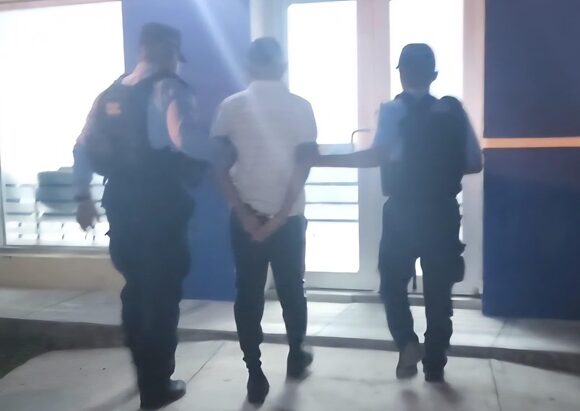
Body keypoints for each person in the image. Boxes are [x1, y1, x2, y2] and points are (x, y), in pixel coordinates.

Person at [308, 44, 483, 383]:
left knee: (391, 285)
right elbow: (475, 163)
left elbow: (375, 156)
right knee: (439, 293)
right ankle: (435, 365)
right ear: (433, 75)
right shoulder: (453, 112)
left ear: (401, 74)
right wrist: (440, 168)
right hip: (443, 213)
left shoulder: (392, 111)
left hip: (402, 211)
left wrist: (322, 160)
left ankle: (406, 343)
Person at [73, 23, 210, 410]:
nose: (176, 63)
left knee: (135, 291)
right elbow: (187, 140)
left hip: (121, 204)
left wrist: (82, 197)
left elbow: (82, 148)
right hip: (161, 207)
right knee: (162, 297)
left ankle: (143, 375)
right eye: (175, 54)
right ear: (166, 50)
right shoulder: (170, 89)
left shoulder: (109, 94)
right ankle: (157, 385)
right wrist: (220, 154)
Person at [211, 37, 317, 405]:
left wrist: (246, 216)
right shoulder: (301, 107)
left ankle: (254, 374)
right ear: (282, 66)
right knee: (292, 291)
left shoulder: (231, 107)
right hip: (288, 219)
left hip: (246, 219)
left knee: (248, 294)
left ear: (249, 67)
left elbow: (218, 167)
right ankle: (296, 356)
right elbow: (304, 165)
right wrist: (280, 217)